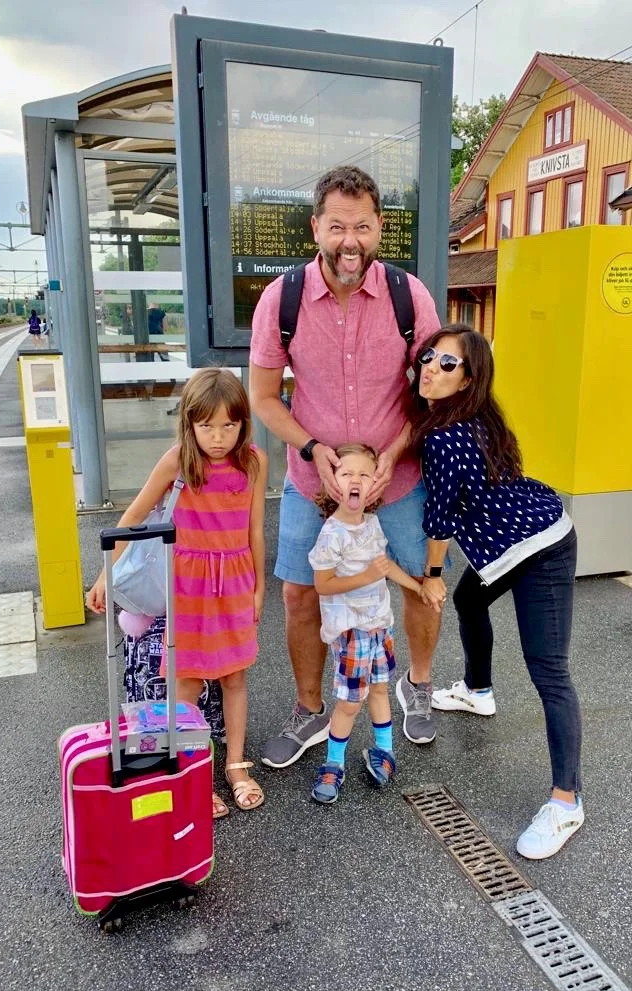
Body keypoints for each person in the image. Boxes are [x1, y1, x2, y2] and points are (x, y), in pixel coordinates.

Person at [249, 164, 443, 768]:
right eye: (337, 226)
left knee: (419, 584)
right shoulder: (281, 300)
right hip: (314, 483)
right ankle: (311, 708)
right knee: (300, 594)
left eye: (362, 226)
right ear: (315, 229)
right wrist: (312, 448)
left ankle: (417, 684)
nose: (350, 241)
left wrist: (396, 451)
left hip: (400, 481)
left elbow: (436, 392)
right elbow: (263, 398)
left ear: (380, 227)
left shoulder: (410, 297)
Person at [412, 324, 584, 860]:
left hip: (543, 547)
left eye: (448, 364)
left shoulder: (445, 436)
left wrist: (432, 575)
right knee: (471, 600)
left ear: (468, 379)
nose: (431, 368)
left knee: (549, 672)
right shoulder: (470, 416)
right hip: (510, 544)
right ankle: (478, 690)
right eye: (429, 356)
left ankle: (566, 801)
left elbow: (439, 518)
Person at [86, 367, 267, 819]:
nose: (218, 437)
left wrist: (259, 587)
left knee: (234, 677)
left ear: (244, 423)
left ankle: (235, 765)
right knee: (187, 680)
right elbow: (134, 515)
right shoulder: (177, 461)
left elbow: (255, 530)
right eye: (207, 426)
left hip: (235, 582)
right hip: (188, 588)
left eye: (229, 425)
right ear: (189, 423)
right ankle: (193, 771)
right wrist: (105, 575)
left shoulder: (254, 462)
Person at [308, 444, 423, 804]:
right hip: (352, 631)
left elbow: (384, 567)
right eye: (346, 474)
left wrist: (419, 588)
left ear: (375, 483)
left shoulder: (372, 523)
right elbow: (323, 584)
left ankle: (385, 751)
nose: (355, 480)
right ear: (332, 483)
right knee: (349, 703)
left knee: (379, 690)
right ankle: (333, 763)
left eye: (364, 474)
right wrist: (367, 576)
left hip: (379, 626)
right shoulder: (332, 533)